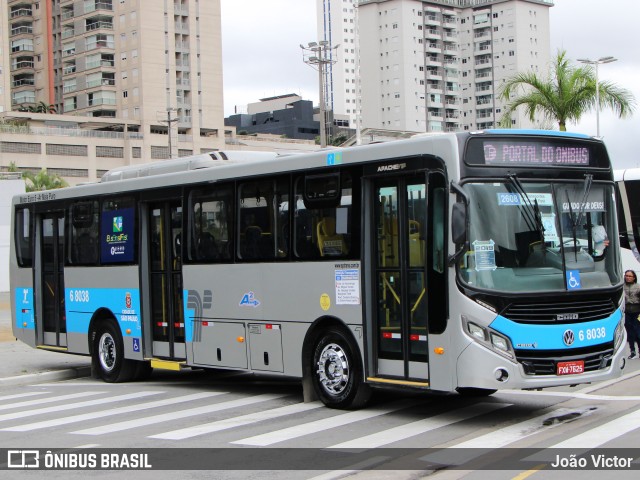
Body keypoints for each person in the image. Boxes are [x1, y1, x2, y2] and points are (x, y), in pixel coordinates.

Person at [623, 270, 640, 359]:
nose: (628, 277)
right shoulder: (622, 287)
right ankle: (632, 351)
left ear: (634, 277)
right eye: (626, 275)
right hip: (627, 312)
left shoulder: (638, 287)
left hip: (637, 312)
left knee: (638, 332)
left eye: (630, 276)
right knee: (630, 333)